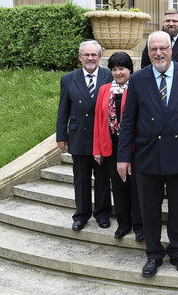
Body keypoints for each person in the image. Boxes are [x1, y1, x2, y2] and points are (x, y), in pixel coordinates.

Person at [117, 31, 178, 278]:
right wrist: (123, 156)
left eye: (163, 48)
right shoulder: (138, 79)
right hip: (148, 156)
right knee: (149, 209)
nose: (158, 53)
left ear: (172, 49)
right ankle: (153, 254)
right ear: (148, 53)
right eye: (153, 49)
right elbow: (128, 121)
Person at [56, 40, 112, 231]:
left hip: (101, 137)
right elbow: (63, 109)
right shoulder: (68, 79)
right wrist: (61, 135)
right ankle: (81, 215)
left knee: (103, 178)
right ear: (80, 57)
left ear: (99, 57)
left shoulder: (109, 76)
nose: (90, 58)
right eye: (86, 55)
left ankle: (103, 213)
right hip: (79, 135)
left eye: (93, 55)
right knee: (81, 179)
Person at [93, 51, 143, 241]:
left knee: (137, 189)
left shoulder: (138, 87)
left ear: (130, 69)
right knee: (119, 187)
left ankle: (139, 226)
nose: (118, 73)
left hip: (135, 147)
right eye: (114, 69)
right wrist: (97, 149)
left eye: (121, 68)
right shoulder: (104, 90)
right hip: (112, 146)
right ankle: (124, 224)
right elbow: (99, 120)